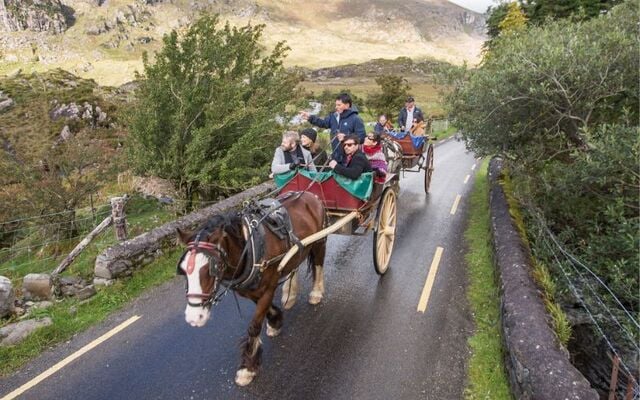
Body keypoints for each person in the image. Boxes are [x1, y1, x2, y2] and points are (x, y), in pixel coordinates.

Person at [299, 93, 366, 163]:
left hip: (350, 157)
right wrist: (310, 117)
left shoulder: (356, 119)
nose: (336, 107)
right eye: (336, 105)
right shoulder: (333, 116)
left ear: (347, 105)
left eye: (339, 105)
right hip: (335, 156)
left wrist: (346, 138)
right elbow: (323, 123)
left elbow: (361, 138)